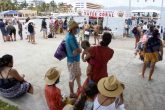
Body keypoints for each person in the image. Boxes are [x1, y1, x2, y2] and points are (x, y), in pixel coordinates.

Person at [65, 20, 82, 98]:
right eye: (76, 29)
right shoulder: (71, 38)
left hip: (73, 60)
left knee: (78, 74)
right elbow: (77, 50)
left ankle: (79, 87)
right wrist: (80, 49)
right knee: (72, 77)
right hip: (73, 60)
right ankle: (71, 93)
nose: (77, 30)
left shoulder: (69, 35)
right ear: (72, 29)